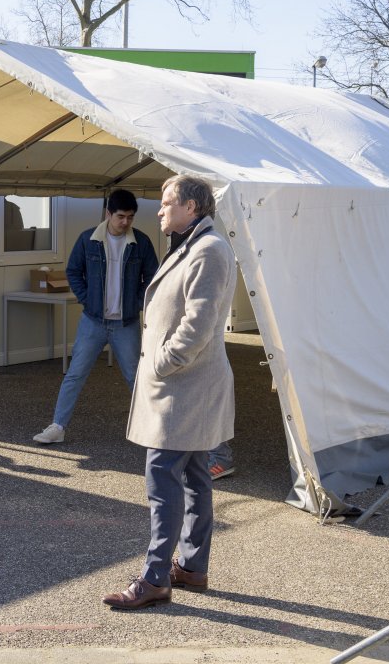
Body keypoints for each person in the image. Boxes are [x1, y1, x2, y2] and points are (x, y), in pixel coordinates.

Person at [103, 175, 236, 610]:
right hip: (186, 387)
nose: (159, 210)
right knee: (195, 478)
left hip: (184, 387)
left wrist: (161, 363)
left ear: (192, 207)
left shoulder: (209, 250)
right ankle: (192, 568)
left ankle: (155, 577)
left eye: (166, 203)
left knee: (163, 479)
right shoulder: (193, 244)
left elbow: (197, 325)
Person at [33, 189, 158, 444]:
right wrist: (87, 299)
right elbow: (73, 271)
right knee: (75, 373)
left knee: (135, 376)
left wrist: (136, 303)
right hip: (93, 320)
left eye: (130, 217)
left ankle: (153, 431)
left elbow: (153, 278)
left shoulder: (141, 242)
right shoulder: (87, 239)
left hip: (127, 323)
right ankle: (58, 426)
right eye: (121, 216)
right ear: (108, 213)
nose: (125, 222)